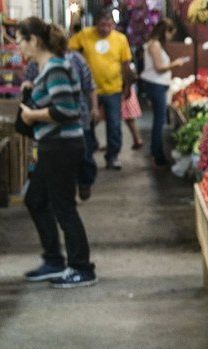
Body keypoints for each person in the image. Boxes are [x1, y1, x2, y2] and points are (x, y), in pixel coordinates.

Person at [17, 17, 97, 288]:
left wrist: (31, 115)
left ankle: (82, 268)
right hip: (53, 145)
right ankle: (54, 260)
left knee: (63, 206)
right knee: (35, 199)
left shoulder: (55, 68)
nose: (19, 47)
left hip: (62, 146)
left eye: (21, 41)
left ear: (34, 41)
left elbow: (66, 110)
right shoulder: (45, 69)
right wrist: (30, 94)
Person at [24, 48, 97, 200]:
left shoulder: (72, 60)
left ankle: (83, 183)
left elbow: (89, 85)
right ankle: (65, 193)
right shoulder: (34, 63)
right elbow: (28, 83)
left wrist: (94, 107)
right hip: (49, 126)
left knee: (84, 156)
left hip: (76, 119)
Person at [69, 7, 133, 171]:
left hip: (113, 88)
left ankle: (112, 156)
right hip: (90, 90)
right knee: (88, 123)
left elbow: (126, 64)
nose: (105, 28)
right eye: (102, 25)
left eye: (108, 25)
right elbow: (69, 50)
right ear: (96, 24)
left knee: (114, 125)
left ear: (113, 24)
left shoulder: (120, 39)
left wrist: (128, 86)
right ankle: (90, 151)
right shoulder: (84, 35)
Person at [140, 18, 187, 168]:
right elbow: (159, 67)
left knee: (159, 120)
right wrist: (175, 63)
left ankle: (156, 152)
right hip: (156, 85)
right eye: (170, 33)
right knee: (159, 121)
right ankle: (158, 155)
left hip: (157, 85)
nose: (171, 37)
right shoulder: (154, 45)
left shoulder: (155, 44)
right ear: (165, 31)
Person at [120, 63, 142, 149]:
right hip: (127, 92)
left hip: (125, 93)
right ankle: (137, 139)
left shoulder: (125, 64)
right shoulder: (129, 64)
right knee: (129, 119)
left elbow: (133, 77)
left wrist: (126, 91)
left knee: (128, 118)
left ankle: (137, 139)